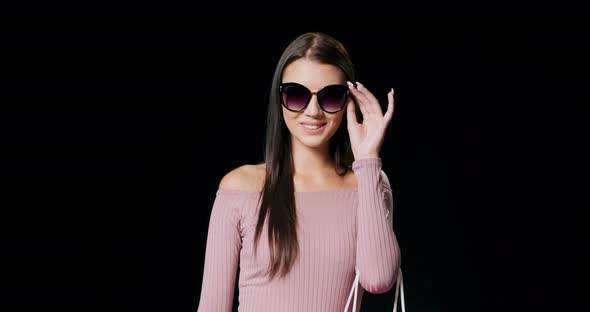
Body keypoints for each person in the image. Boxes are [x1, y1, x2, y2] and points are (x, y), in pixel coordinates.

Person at [196, 31, 401, 312]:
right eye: (296, 94)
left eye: (330, 96)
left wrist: (367, 160)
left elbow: (378, 279)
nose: (313, 111)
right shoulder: (240, 187)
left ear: (348, 102)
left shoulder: (368, 183)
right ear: (279, 98)